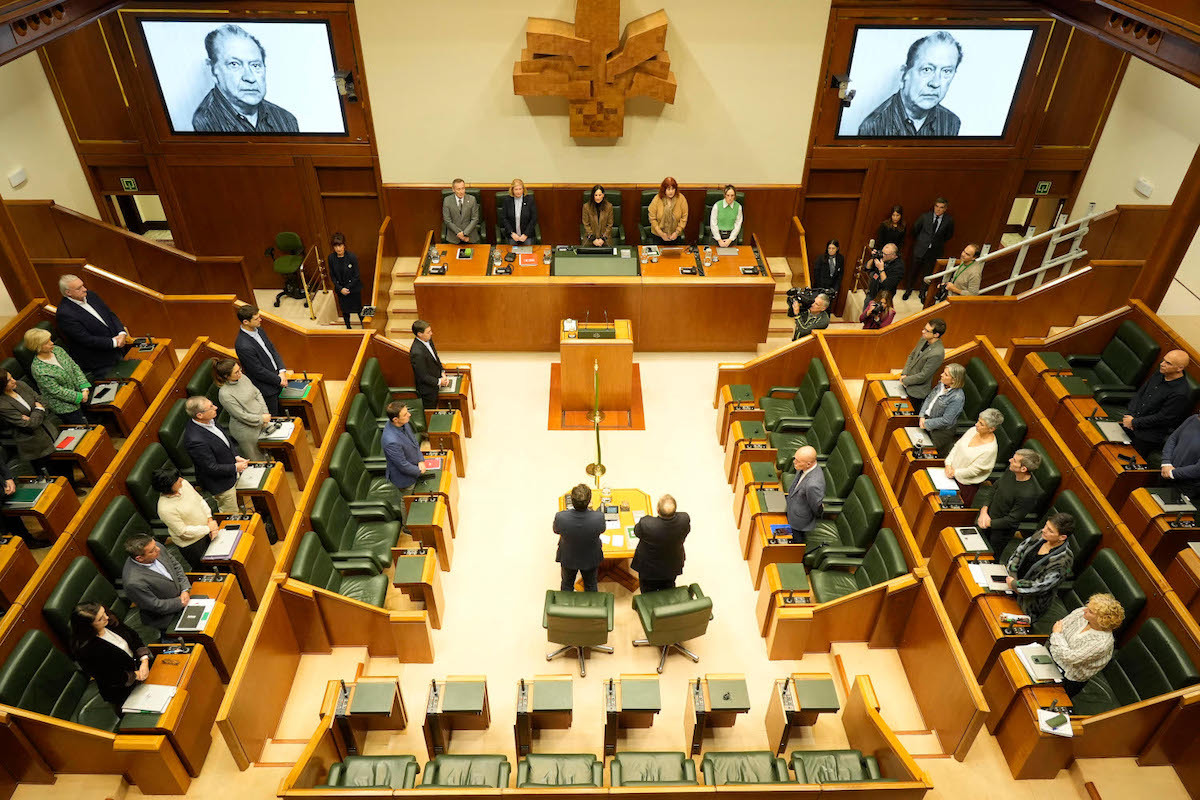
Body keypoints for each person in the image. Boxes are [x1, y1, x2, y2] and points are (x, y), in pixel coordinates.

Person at [191, 24, 298, 134]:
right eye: (234, 64)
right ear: (213, 70)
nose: (250, 78)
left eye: (255, 65)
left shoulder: (287, 120)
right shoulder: (205, 123)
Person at [857, 31, 963, 138]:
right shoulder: (873, 127)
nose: (935, 83)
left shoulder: (951, 122)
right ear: (904, 74)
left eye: (946, 71)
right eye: (927, 69)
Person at [70, 602, 153, 708]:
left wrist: (144, 660)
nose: (106, 617)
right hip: (123, 689)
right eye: (100, 619)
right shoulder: (86, 650)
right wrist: (135, 675)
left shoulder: (109, 621)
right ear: (88, 626)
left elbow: (134, 637)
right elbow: (109, 677)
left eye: (104, 612)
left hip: (141, 668)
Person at [1121, 350, 1191, 465]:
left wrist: (1134, 422)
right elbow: (1140, 394)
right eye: (1163, 360)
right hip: (1132, 420)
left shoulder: (1181, 393)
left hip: (1147, 434)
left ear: (1180, 368)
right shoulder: (1160, 373)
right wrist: (1130, 416)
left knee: (1122, 462)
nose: (1162, 364)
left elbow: (1162, 418)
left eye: (1168, 363)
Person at [1048, 593, 1125, 698]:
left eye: (1090, 611)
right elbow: (1060, 625)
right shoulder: (1081, 613)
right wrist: (1060, 641)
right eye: (1087, 606)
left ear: (1101, 621)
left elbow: (1069, 657)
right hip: (1051, 653)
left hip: (1067, 676)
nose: (1084, 610)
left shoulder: (1101, 643)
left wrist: (1057, 635)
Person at [55, 274, 130, 381]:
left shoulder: (91, 295)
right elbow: (86, 339)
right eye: (79, 288)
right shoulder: (65, 313)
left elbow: (110, 315)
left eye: (83, 285)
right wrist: (114, 342)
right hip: (100, 362)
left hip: (119, 349)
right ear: (68, 293)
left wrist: (121, 333)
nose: (84, 289)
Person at [1004, 513, 1074, 621]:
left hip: (1028, 603)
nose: (1044, 530)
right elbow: (1019, 551)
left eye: (1050, 530)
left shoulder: (1063, 561)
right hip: (1011, 583)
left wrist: (1016, 585)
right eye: (1046, 525)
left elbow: (1041, 585)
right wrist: (1012, 574)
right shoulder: (1041, 535)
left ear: (1062, 537)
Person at [183, 395, 246, 514]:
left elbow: (225, 439)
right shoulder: (195, 440)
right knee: (231, 514)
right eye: (211, 407)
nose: (216, 407)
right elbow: (210, 467)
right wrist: (234, 467)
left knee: (240, 502)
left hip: (231, 470)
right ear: (199, 415)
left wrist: (235, 456)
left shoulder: (209, 420)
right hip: (221, 483)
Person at [121, 534, 192, 633]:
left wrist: (185, 589)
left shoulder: (155, 547)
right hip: (166, 617)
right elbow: (155, 605)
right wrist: (180, 602)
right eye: (152, 551)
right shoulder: (133, 582)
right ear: (139, 558)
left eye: (155, 545)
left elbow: (175, 566)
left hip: (184, 597)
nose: (158, 549)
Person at [977, 448, 1042, 555]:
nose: (1010, 460)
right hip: (986, 517)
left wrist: (989, 523)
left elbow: (1012, 520)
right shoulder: (1011, 470)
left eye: (1014, 460)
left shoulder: (1029, 494)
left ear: (1023, 469)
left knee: (988, 557)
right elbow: (995, 487)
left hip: (999, 533)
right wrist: (984, 510)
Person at [152, 465, 219, 571]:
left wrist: (210, 520)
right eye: (177, 480)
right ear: (168, 486)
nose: (181, 480)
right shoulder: (165, 509)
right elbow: (183, 532)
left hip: (209, 528)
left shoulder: (184, 484)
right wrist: (208, 529)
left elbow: (200, 500)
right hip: (194, 544)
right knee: (208, 570)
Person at [0, 368, 60, 478]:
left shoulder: (21, 385)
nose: (14, 381)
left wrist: (33, 416)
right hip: (35, 445)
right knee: (52, 476)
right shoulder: (2, 405)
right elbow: (29, 425)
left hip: (50, 432)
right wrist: (39, 409)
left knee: (65, 465)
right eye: (9, 380)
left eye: (12, 377)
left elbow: (43, 401)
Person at [26, 327, 90, 425]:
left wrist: (84, 388)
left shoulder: (57, 350)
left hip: (81, 392)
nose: (52, 343)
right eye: (47, 342)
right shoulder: (38, 369)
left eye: (50, 340)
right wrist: (80, 397)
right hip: (64, 406)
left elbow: (74, 367)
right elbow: (56, 391)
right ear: (37, 346)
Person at [234, 305, 287, 415]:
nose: (260, 320)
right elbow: (257, 370)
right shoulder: (243, 345)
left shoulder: (259, 330)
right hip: (267, 389)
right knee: (274, 417)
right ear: (246, 322)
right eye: (256, 318)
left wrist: (282, 371)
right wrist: (278, 380)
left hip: (278, 378)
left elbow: (272, 349)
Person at [943, 408, 1003, 506]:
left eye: (981, 424)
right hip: (948, 472)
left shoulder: (989, 450)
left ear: (991, 429)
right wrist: (948, 464)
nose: (976, 424)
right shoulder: (973, 430)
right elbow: (957, 446)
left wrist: (954, 473)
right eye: (978, 421)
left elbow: (973, 471)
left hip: (964, 484)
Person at [631, 494, 690, 592]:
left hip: (648, 568)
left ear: (657, 510)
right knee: (669, 586)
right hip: (672, 565)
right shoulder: (684, 519)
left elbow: (637, 533)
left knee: (647, 590)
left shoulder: (646, 523)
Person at [213, 358, 269, 461]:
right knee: (258, 459)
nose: (240, 373)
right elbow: (241, 416)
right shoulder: (225, 394)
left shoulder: (242, 377)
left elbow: (257, 393)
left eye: (239, 369)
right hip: (246, 431)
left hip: (262, 419)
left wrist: (265, 413)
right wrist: (261, 419)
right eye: (236, 372)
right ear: (226, 376)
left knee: (270, 453)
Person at [553, 484, 604, 592]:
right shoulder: (598, 517)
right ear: (589, 501)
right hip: (590, 557)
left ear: (571, 501)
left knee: (567, 584)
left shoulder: (561, 517)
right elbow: (602, 530)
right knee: (591, 585)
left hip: (568, 556)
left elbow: (556, 530)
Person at [906, 198, 955, 300]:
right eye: (936, 206)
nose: (938, 209)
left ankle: (922, 293)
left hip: (934, 252)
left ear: (945, 209)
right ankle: (908, 290)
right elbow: (915, 230)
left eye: (941, 207)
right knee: (913, 271)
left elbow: (948, 235)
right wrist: (922, 241)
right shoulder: (925, 217)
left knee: (928, 274)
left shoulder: (949, 220)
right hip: (920, 249)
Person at [918, 363, 967, 457]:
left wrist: (926, 423)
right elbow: (929, 398)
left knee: (925, 455)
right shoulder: (941, 384)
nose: (941, 375)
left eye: (946, 374)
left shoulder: (957, 397)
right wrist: (922, 415)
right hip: (926, 420)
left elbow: (946, 420)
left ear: (954, 380)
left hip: (940, 433)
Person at [893, 318, 946, 402]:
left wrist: (905, 380)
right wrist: (904, 373)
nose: (923, 331)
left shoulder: (937, 353)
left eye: (927, 331)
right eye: (924, 328)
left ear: (936, 335)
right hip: (905, 381)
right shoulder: (924, 339)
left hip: (916, 392)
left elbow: (923, 376)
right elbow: (912, 356)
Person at [785, 446, 827, 545]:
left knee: (796, 543)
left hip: (799, 520)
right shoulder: (804, 466)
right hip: (791, 506)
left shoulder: (813, 484)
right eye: (795, 459)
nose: (794, 462)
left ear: (808, 464)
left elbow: (816, 507)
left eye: (797, 461)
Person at [381, 401, 424, 492]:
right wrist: (419, 471)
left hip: (415, 465)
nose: (409, 415)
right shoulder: (391, 441)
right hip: (405, 479)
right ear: (395, 419)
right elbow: (402, 465)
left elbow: (414, 441)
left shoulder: (403, 423)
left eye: (407, 411)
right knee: (410, 497)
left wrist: (420, 460)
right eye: (405, 414)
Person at [410, 320, 450, 414]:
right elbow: (423, 376)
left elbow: (435, 358)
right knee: (432, 414)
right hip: (428, 390)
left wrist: (442, 372)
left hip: (437, 378)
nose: (431, 333)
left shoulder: (428, 340)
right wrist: (439, 381)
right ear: (419, 334)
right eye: (428, 332)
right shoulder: (417, 353)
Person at [327, 232, 364, 330]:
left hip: (353, 288)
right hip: (341, 290)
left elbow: (356, 275)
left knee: (358, 309)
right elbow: (332, 275)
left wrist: (347, 288)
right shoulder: (331, 258)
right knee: (345, 311)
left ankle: (364, 327)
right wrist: (340, 289)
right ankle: (348, 327)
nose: (338, 248)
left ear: (344, 245)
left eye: (340, 245)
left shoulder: (352, 257)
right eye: (335, 246)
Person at [1162, 412, 1200, 502]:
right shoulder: (1193, 419)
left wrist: (1172, 473)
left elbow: (1198, 469)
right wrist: (1166, 462)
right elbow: (1173, 438)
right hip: (1167, 472)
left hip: (1187, 486)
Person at [647, 177, 688, 245]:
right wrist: (661, 233)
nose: (671, 191)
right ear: (664, 189)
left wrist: (677, 232)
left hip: (675, 236)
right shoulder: (657, 199)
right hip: (658, 236)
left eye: (673, 189)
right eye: (668, 189)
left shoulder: (681, 199)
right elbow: (652, 218)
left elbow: (684, 218)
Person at [498, 178, 538, 244]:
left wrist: (526, 234)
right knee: (511, 250)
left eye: (520, 189)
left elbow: (534, 218)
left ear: (523, 189)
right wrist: (512, 233)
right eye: (516, 189)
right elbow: (504, 218)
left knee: (528, 250)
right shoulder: (507, 201)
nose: (518, 192)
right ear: (512, 190)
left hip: (527, 235)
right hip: (512, 235)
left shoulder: (530, 200)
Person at [442, 178, 482, 244]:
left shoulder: (472, 199)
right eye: (458, 189)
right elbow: (447, 220)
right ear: (453, 189)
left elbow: (475, 219)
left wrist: (464, 233)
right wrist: (459, 234)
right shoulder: (447, 200)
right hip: (454, 237)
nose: (461, 191)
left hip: (470, 237)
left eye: (463, 188)